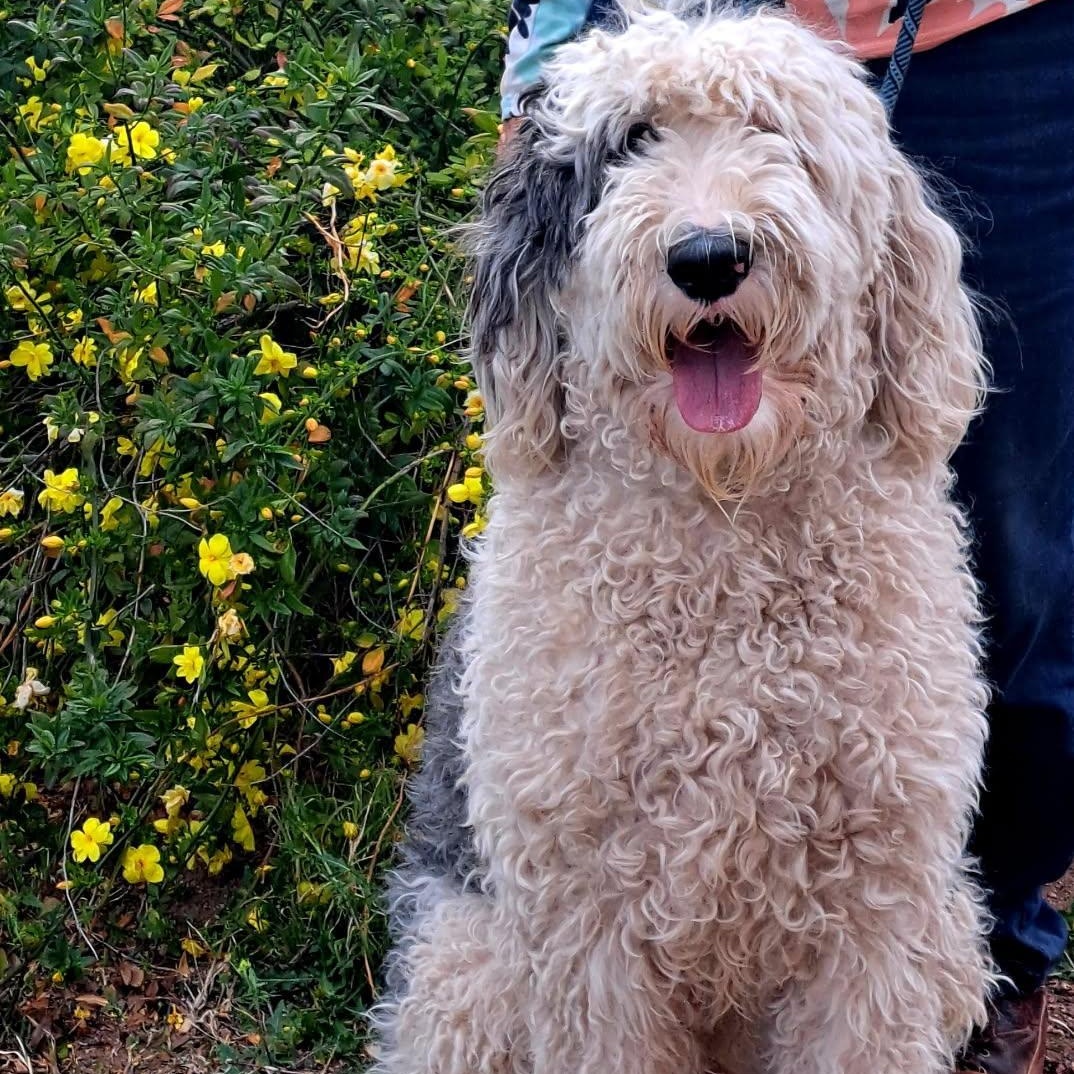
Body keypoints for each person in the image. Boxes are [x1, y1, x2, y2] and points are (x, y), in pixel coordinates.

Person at [496, 3, 1074, 1073]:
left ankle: (1006, 960)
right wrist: (539, 64)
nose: (706, 230)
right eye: (643, 151)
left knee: (1028, 583)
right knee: (545, 942)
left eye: (764, 152)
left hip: (1002, 32)